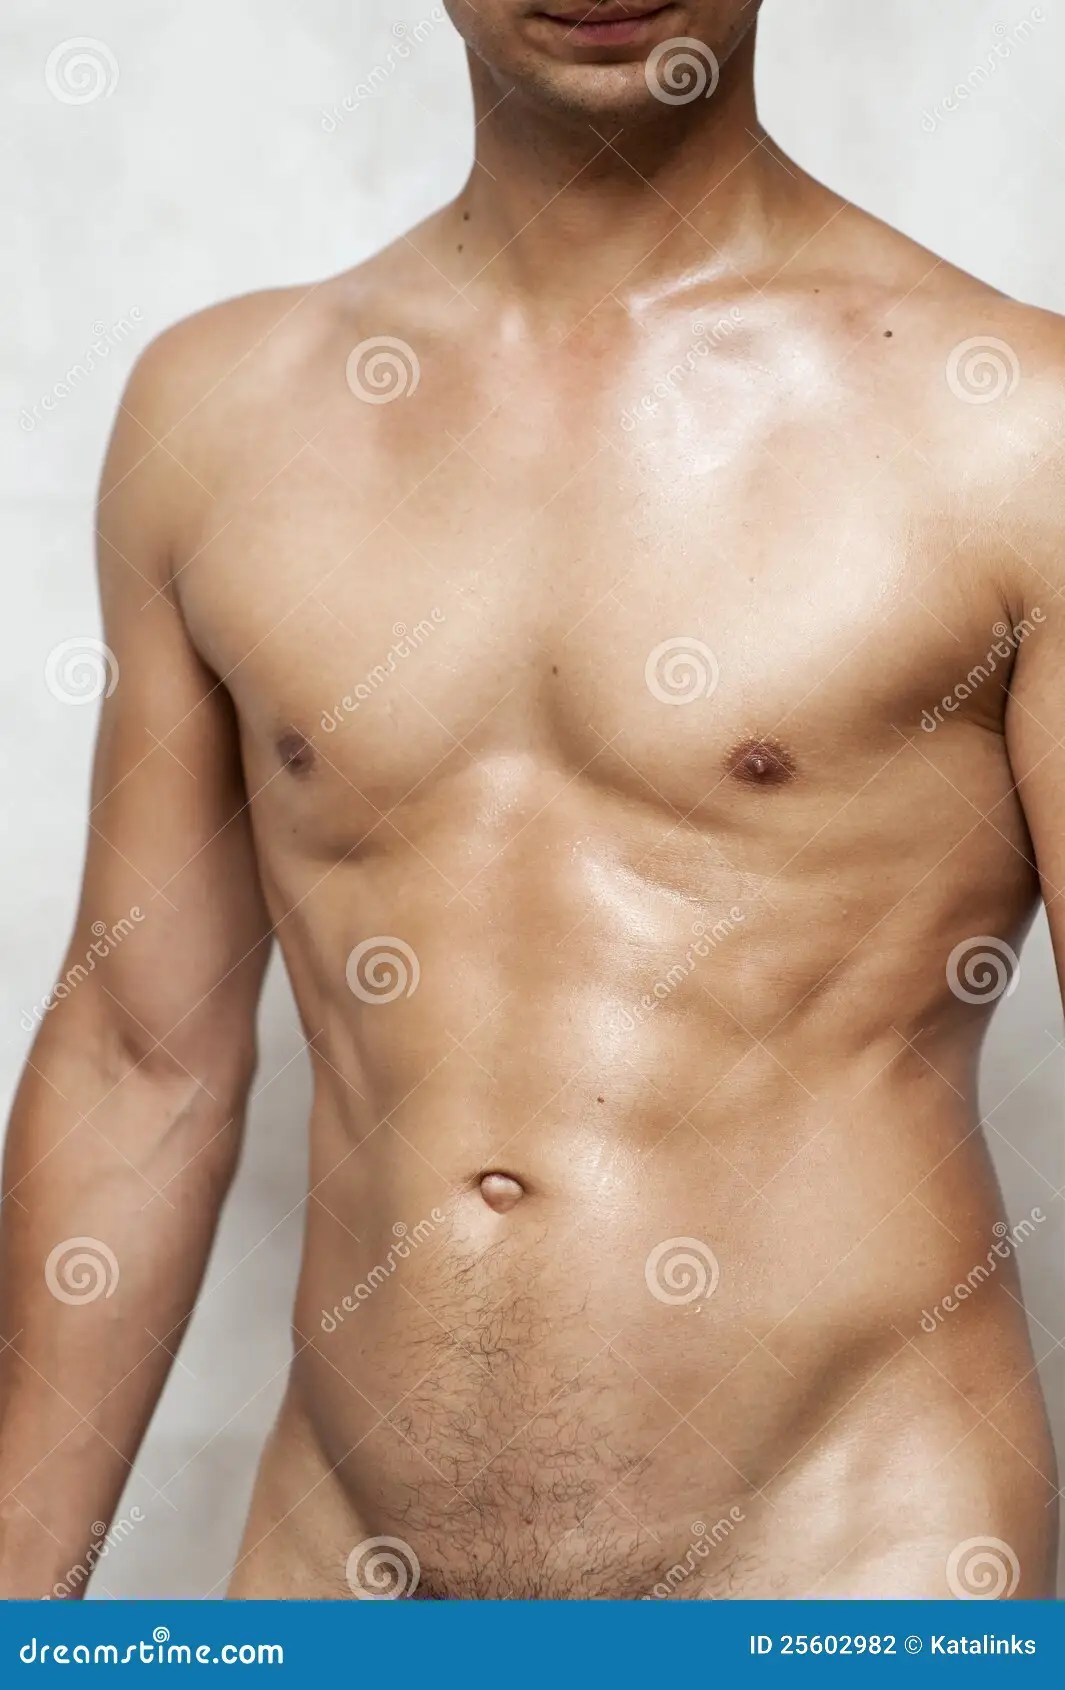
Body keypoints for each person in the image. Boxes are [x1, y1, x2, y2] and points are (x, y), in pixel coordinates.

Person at [1, 0, 1061, 1600]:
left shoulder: (1014, 422)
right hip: (343, 1571)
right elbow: (139, 1061)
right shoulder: (220, 413)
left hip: (851, 1559)